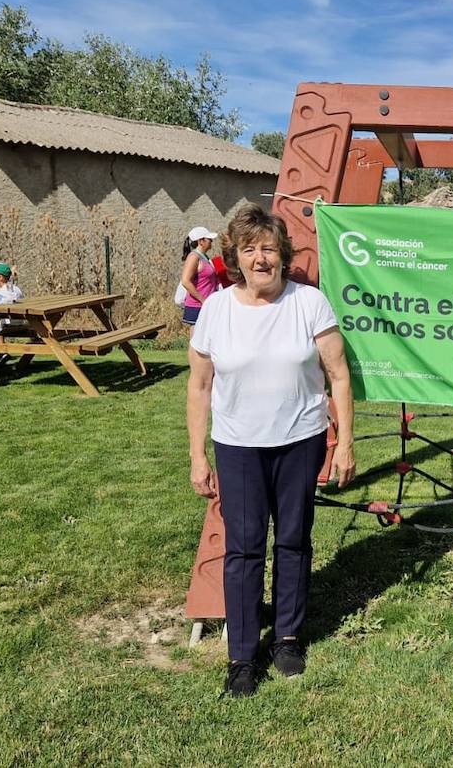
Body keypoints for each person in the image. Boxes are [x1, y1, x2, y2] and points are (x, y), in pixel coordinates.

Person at [186, 204, 355, 698]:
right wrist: (198, 456)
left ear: (282, 253)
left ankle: (286, 637)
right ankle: (241, 655)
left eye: (268, 248)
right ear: (236, 257)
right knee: (243, 550)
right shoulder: (217, 309)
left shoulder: (309, 303)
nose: (260, 258)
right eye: (249, 249)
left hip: (300, 441)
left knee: (294, 541)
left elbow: (339, 375)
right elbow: (199, 387)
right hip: (238, 446)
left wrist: (343, 442)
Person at [179, 227, 223, 327]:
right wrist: (202, 300)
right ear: (201, 241)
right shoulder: (194, 257)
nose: (211, 241)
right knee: (195, 340)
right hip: (197, 305)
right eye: (209, 239)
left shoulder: (204, 257)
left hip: (206, 304)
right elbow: (186, 281)